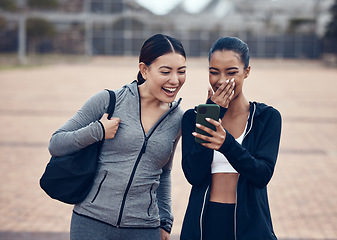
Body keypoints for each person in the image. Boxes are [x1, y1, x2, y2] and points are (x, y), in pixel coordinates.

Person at [48, 34, 187, 240]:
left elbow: (164, 172)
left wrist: (165, 220)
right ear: (144, 70)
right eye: (166, 71)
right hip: (91, 221)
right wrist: (98, 131)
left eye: (181, 72)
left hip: (144, 228)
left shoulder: (178, 119)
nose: (174, 80)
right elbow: (56, 143)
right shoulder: (109, 101)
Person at [180, 37, 282, 240]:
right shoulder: (193, 118)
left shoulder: (267, 117)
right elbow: (194, 175)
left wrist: (226, 144)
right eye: (214, 72)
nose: (221, 80)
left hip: (251, 225)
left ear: (247, 72)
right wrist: (211, 115)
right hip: (204, 223)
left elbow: (262, 175)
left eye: (231, 72)